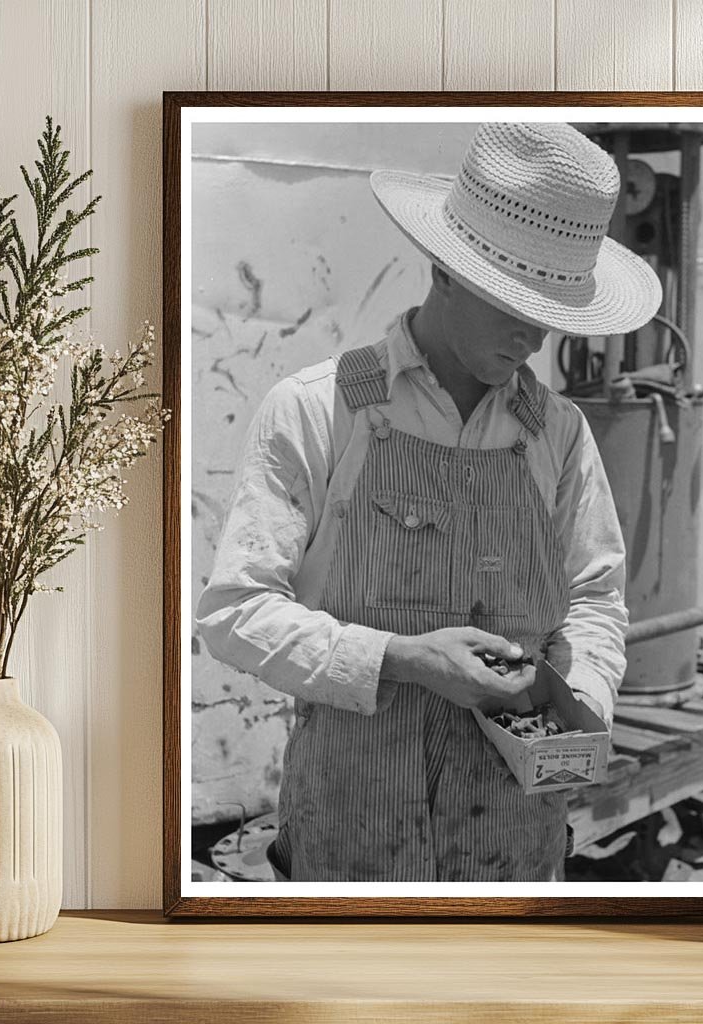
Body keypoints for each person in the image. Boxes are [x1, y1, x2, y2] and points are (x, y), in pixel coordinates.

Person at [195, 121, 662, 882]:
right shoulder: (318, 410)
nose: (533, 337)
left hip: (515, 845)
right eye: (513, 304)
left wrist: (573, 699)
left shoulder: (561, 435)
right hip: (350, 847)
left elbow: (597, 599)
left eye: (550, 309)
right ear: (443, 269)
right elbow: (235, 612)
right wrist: (402, 659)